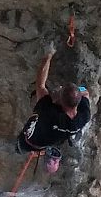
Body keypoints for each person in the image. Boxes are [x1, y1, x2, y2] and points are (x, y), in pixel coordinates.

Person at [17, 42, 91, 173]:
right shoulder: (84, 115)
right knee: (56, 138)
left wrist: (48, 56)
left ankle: (19, 151)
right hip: (56, 137)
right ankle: (50, 155)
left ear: (59, 101)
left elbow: (40, 85)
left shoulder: (48, 113)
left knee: (19, 148)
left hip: (29, 141)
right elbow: (85, 92)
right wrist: (73, 90)